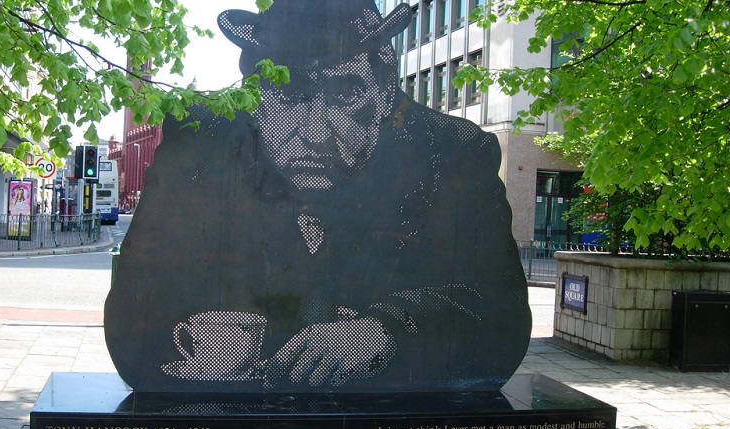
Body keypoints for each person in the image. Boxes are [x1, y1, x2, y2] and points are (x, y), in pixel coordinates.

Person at [104, 0, 531, 393]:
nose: (312, 132)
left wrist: (385, 333)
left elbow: (500, 319)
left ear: (384, 96)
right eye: (290, 94)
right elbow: (132, 328)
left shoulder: (451, 154)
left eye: (346, 94)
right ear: (255, 100)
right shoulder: (199, 145)